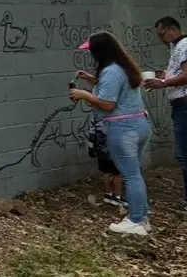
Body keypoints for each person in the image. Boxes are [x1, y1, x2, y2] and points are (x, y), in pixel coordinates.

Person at [69, 31, 152, 235]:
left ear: (100, 51)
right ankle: (141, 217)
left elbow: (107, 103)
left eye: (92, 51)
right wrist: (91, 80)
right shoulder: (123, 67)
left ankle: (135, 220)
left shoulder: (111, 72)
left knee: (130, 175)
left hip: (122, 129)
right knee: (134, 174)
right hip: (139, 124)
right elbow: (112, 90)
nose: (91, 55)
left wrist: (83, 95)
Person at [145, 17, 187, 215]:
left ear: (172, 30)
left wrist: (164, 83)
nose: (161, 39)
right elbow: (186, 74)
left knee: (186, 155)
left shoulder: (185, 46)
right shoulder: (182, 47)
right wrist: (166, 75)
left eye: (162, 34)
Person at [85, 112, 126, 209]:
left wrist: (91, 147)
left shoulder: (96, 114)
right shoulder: (117, 111)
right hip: (114, 146)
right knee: (117, 172)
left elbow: (92, 131)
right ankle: (118, 196)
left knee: (106, 171)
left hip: (101, 146)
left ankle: (108, 194)